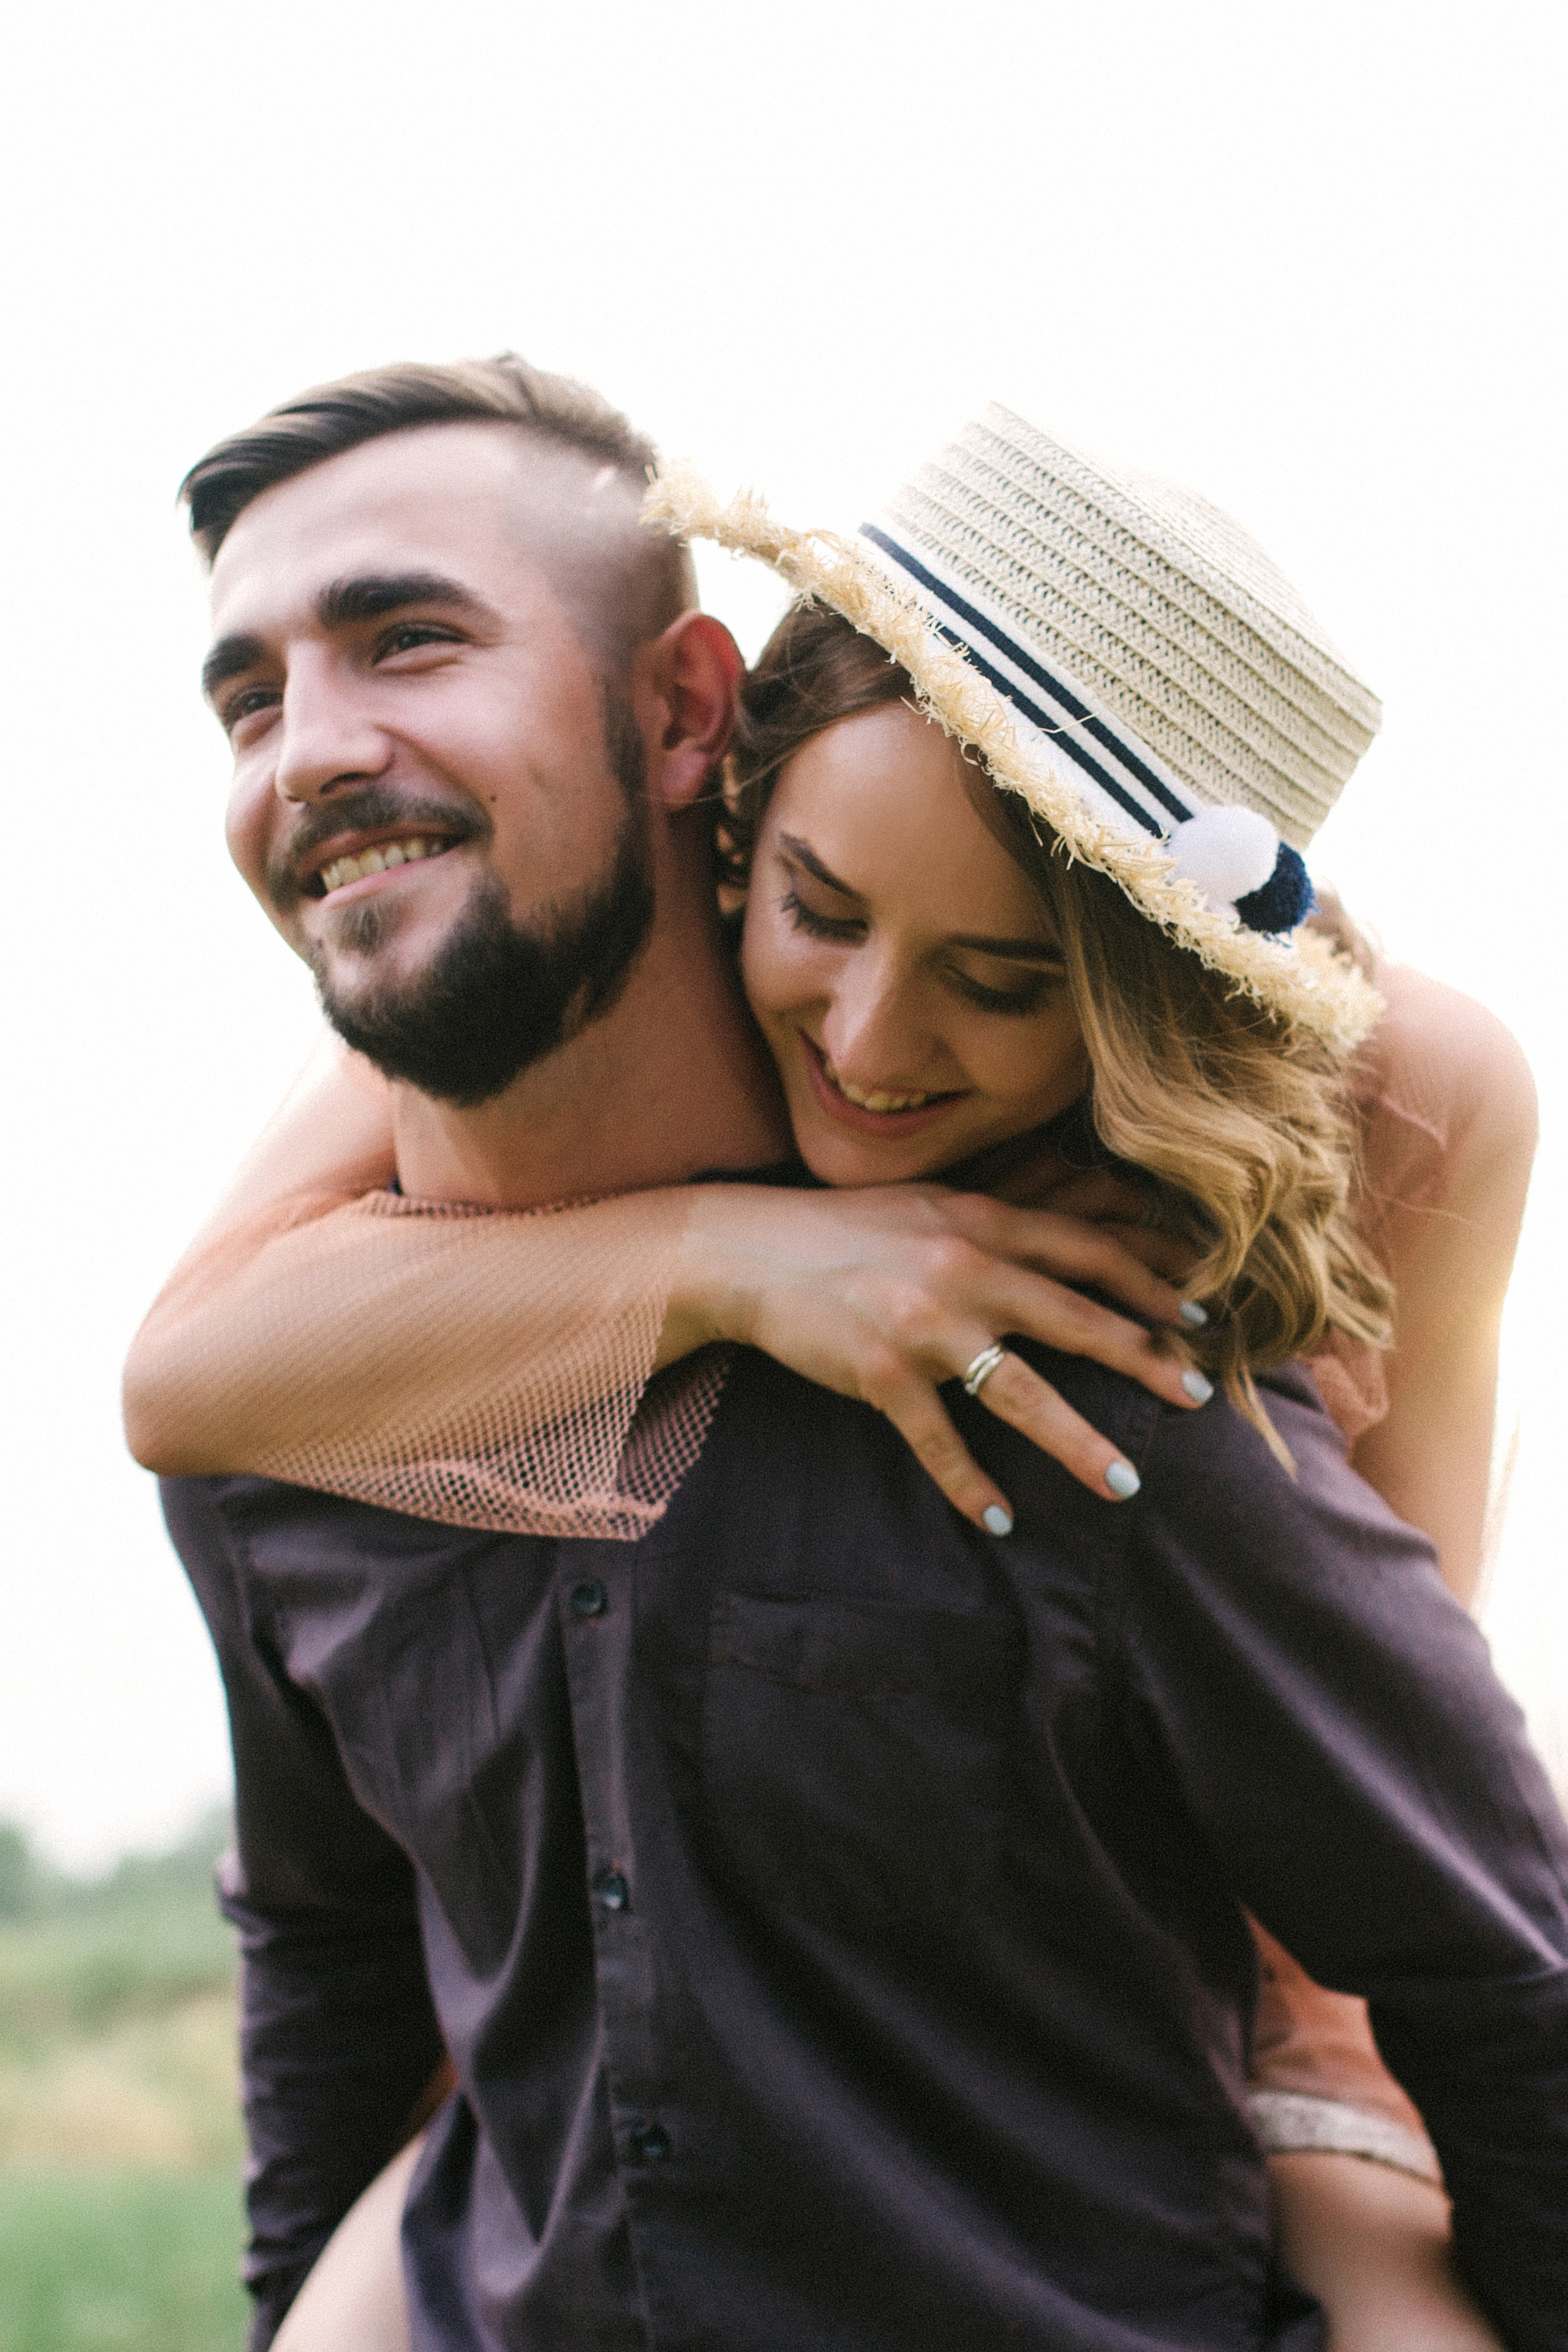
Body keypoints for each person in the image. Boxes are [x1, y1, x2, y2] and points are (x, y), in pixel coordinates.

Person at [137, 359, 1564, 2351]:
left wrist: (1343, 2127)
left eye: (1001, 985)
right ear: (743, 809)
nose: (879, 1049)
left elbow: (1463, 1878)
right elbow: (188, 1406)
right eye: (820, 910)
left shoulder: (1254, 1222)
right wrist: (741, 1258)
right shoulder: (344, 1294)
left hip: (1261, 2045)